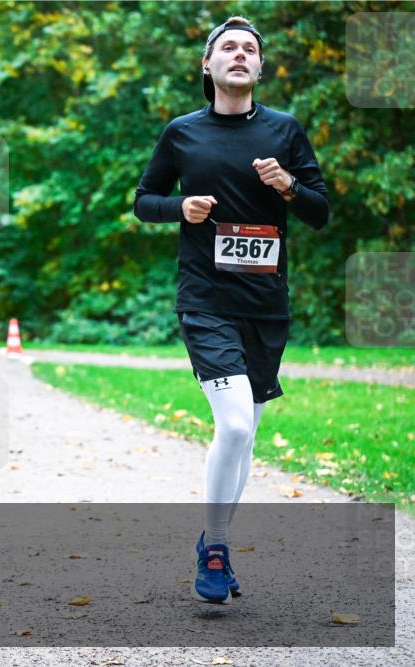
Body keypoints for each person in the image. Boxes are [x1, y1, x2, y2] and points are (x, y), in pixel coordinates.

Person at [133, 16, 330, 604]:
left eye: (249, 49)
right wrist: (182, 208)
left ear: (260, 68)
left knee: (245, 438)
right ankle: (216, 546)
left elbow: (320, 212)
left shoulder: (285, 131)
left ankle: (211, 541)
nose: (239, 55)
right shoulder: (182, 133)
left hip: (266, 308)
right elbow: (145, 201)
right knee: (236, 424)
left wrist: (289, 186)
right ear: (208, 66)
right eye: (228, 48)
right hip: (207, 301)